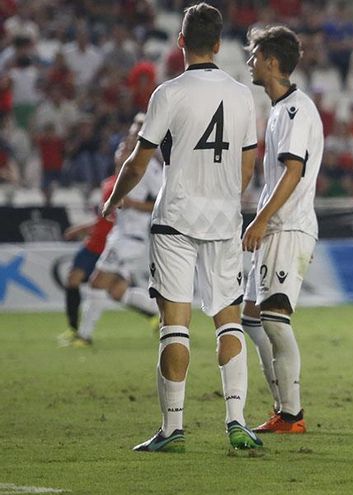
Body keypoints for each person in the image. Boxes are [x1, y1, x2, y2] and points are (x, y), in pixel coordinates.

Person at [101, 3, 261, 453]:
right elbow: (248, 165)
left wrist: (114, 199)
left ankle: (173, 428)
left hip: (174, 220)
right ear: (219, 44)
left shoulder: (168, 93)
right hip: (223, 222)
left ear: (181, 42)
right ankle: (237, 421)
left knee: (175, 324)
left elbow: (138, 162)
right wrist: (223, 197)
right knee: (228, 321)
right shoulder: (242, 95)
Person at [241, 25, 323, 434]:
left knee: (273, 319)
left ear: (272, 62)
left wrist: (261, 219)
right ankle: (282, 406)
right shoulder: (280, 109)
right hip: (277, 227)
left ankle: (292, 415)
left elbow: (293, 171)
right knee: (251, 318)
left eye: (255, 56)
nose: (249, 62)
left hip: (288, 227)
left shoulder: (294, 110)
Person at [72, 113, 163, 347]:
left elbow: (163, 201)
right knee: (117, 292)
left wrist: (133, 204)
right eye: (132, 129)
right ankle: (163, 312)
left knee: (96, 282)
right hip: (121, 235)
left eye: (137, 130)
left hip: (131, 238)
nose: (132, 134)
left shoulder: (150, 166)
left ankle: (84, 336)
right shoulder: (126, 161)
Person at [57, 177, 115, 346]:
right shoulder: (108, 183)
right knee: (72, 280)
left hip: (111, 245)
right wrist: (82, 229)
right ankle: (74, 329)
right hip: (93, 244)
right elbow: (102, 219)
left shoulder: (132, 184)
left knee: (117, 290)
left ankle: (152, 315)